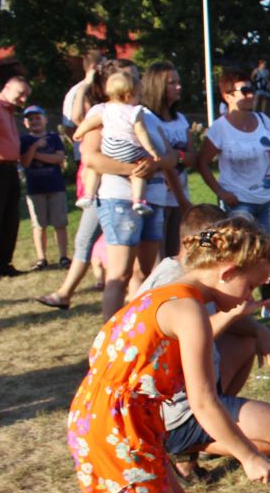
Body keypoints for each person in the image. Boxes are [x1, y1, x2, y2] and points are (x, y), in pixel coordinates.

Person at [67, 216, 270, 493]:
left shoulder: (170, 295)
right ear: (227, 272)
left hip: (119, 419)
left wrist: (232, 316)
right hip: (115, 428)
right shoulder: (188, 310)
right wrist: (249, 456)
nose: (251, 296)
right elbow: (203, 402)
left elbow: (164, 348)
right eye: (251, 285)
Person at [137, 205, 270, 483]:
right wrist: (248, 456)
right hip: (168, 409)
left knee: (245, 341)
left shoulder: (196, 278)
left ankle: (204, 435)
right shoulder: (174, 290)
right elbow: (200, 393)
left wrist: (257, 328)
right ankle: (180, 446)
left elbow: (214, 319)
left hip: (179, 393)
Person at [36, 60, 168, 311]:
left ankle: (134, 327)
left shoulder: (145, 114)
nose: (134, 83)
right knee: (119, 274)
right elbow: (91, 158)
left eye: (136, 77)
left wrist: (156, 163)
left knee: (145, 273)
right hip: (120, 199)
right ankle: (110, 332)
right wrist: (136, 170)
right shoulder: (103, 112)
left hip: (153, 198)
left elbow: (169, 155)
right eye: (127, 77)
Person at [197, 70, 270, 237]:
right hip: (238, 201)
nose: (251, 95)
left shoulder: (263, 121)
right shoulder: (220, 128)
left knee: (267, 245)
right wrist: (220, 192)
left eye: (251, 90)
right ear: (227, 96)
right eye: (244, 91)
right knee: (241, 245)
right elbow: (202, 163)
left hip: (268, 198)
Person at [73, 70, 165, 215]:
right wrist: (152, 151)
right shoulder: (135, 111)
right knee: (138, 172)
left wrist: (78, 133)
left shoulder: (105, 110)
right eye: (138, 95)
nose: (140, 99)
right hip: (130, 149)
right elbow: (141, 133)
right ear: (128, 95)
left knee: (93, 169)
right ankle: (139, 200)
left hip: (110, 147)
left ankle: (88, 194)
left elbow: (89, 123)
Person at [143, 62, 197, 257]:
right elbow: (160, 161)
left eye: (178, 82)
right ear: (156, 86)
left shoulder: (180, 119)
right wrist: (174, 159)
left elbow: (192, 157)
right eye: (172, 83)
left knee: (175, 251)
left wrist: (176, 157)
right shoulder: (147, 118)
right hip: (157, 195)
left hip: (180, 193)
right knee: (157, 255)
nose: (178, 87)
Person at [0, 76, 32, 281]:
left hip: (10, 168)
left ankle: (3, 265)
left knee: (10, 218)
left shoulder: (9, 111)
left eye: (26, 95)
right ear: (7, 87)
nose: (23, 99)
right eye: (20, 93)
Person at [19, 105, 70, 270]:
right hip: (35, 189)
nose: (34, 121)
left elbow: (58, 158)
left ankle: (63, 256)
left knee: (59, 223)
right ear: (25, 123)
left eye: (37, 118)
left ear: (45, 119)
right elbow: (25, 162)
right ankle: (42, 258)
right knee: (39, 225)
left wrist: (36, 155)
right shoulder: (24, 140)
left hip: (55, 186)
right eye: (30, 119)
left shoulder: (54, 138)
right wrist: (34, 147)